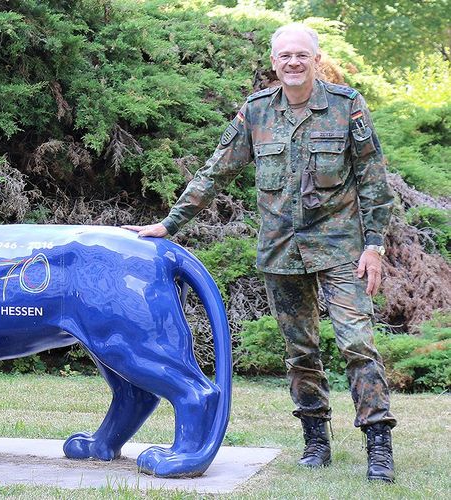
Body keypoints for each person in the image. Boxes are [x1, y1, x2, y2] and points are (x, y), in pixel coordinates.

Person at [124, 24, 396, 482]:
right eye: (284, 55)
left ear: (315, 59)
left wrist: (374, 245)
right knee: (300, 349)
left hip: (341, 250)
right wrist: (169, 224)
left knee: (357, 344)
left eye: (301, 56)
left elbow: (373, 179)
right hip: (282, 253)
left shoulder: (347, 107)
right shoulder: (255, 113)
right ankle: (315, 440)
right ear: (273, 62)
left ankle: (378, 443)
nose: (293, 63)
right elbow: (215, 173)